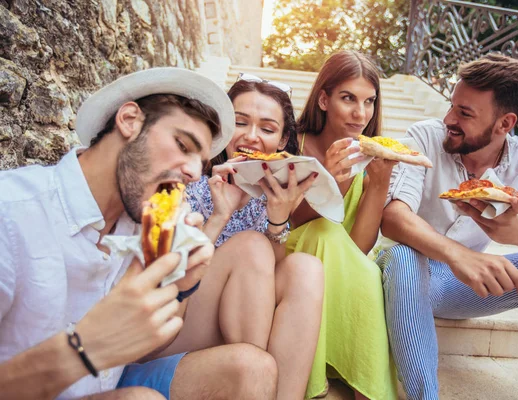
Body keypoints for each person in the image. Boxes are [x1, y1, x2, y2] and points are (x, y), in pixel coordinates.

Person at [0, 67, 278, 400]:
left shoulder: (145, 222)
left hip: (110, 384)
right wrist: (81, 350)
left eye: (200, 162)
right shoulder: (12, 213)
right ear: (130, 120)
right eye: (182, 145)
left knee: (253, 366)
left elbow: (146, 350)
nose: (192, 173)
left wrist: (180, 287)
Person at [378, 53, 518, 400]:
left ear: (504, 123)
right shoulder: (424, 136)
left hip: (463, 289)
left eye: (465, 114)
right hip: (406, 275)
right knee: (404, 256)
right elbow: (392, 216)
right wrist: (458, 255)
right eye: (452, 106)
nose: (449, 118)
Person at [165, 75, 324, 400]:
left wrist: (278, 221)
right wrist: (221, 215)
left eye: (266, 129)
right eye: (240, 123)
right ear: (222, 127)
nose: (251, 137)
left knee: (306, 267)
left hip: (241, 331)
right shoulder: (191, 180)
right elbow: (170, 280)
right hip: (175, 324)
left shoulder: (268, 196)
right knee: (251, 245)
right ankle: (256, 385)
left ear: (281, 141)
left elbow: (272, 279)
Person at [289, 50, 398, 400]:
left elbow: (358, 247)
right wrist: (330, 185)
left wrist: (379, 185)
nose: (360, 113)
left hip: (339, 260)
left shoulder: (368, 157)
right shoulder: (293, 144)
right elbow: (287, 221)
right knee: (324, 231)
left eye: (369, 102)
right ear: (323, 98)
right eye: (348, 98)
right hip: (288, 252)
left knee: (362, 263)